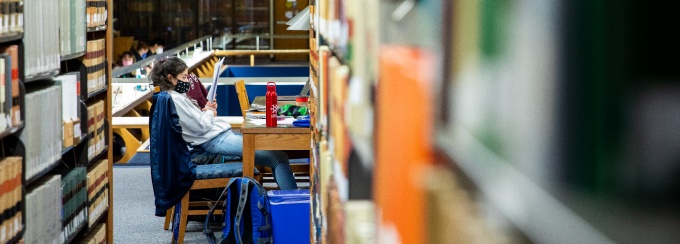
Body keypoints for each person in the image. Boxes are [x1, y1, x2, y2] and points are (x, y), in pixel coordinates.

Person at [148, 57, 298, 190]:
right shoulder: (175, 99)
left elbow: (196, 122)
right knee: (278, 157)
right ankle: (294, 206)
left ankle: (289, 202)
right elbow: (201, 127)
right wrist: (209, 113)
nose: (188, 81)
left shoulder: (172, 97)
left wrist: (206, 110)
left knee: (275, 154)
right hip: (215, 140)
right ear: (170, 77)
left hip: (219, 136)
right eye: (184, 77)